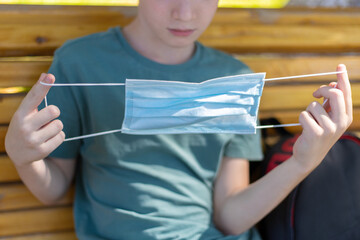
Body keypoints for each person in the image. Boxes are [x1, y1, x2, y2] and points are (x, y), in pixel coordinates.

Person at [5, 0, 353, 239]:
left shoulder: (233, 78)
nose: (185, 13)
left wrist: (302, 163)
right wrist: (23, 156)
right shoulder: (81, 62)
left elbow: (229, 217)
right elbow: (53, 188)